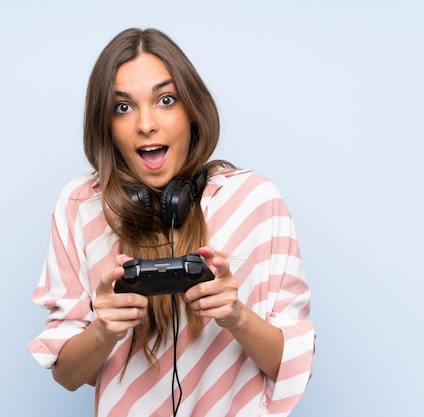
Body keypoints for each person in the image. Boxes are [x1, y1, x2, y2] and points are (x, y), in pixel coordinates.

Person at [27, 28, 315, 417]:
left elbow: (293, 365)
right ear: (107, 125)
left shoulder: (255, 200)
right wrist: (104, 328)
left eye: (165, 100)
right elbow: (66, 375)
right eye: (123, 107)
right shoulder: (80, 206)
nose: (146, 124)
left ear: (191, 110)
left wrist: (236, 316)